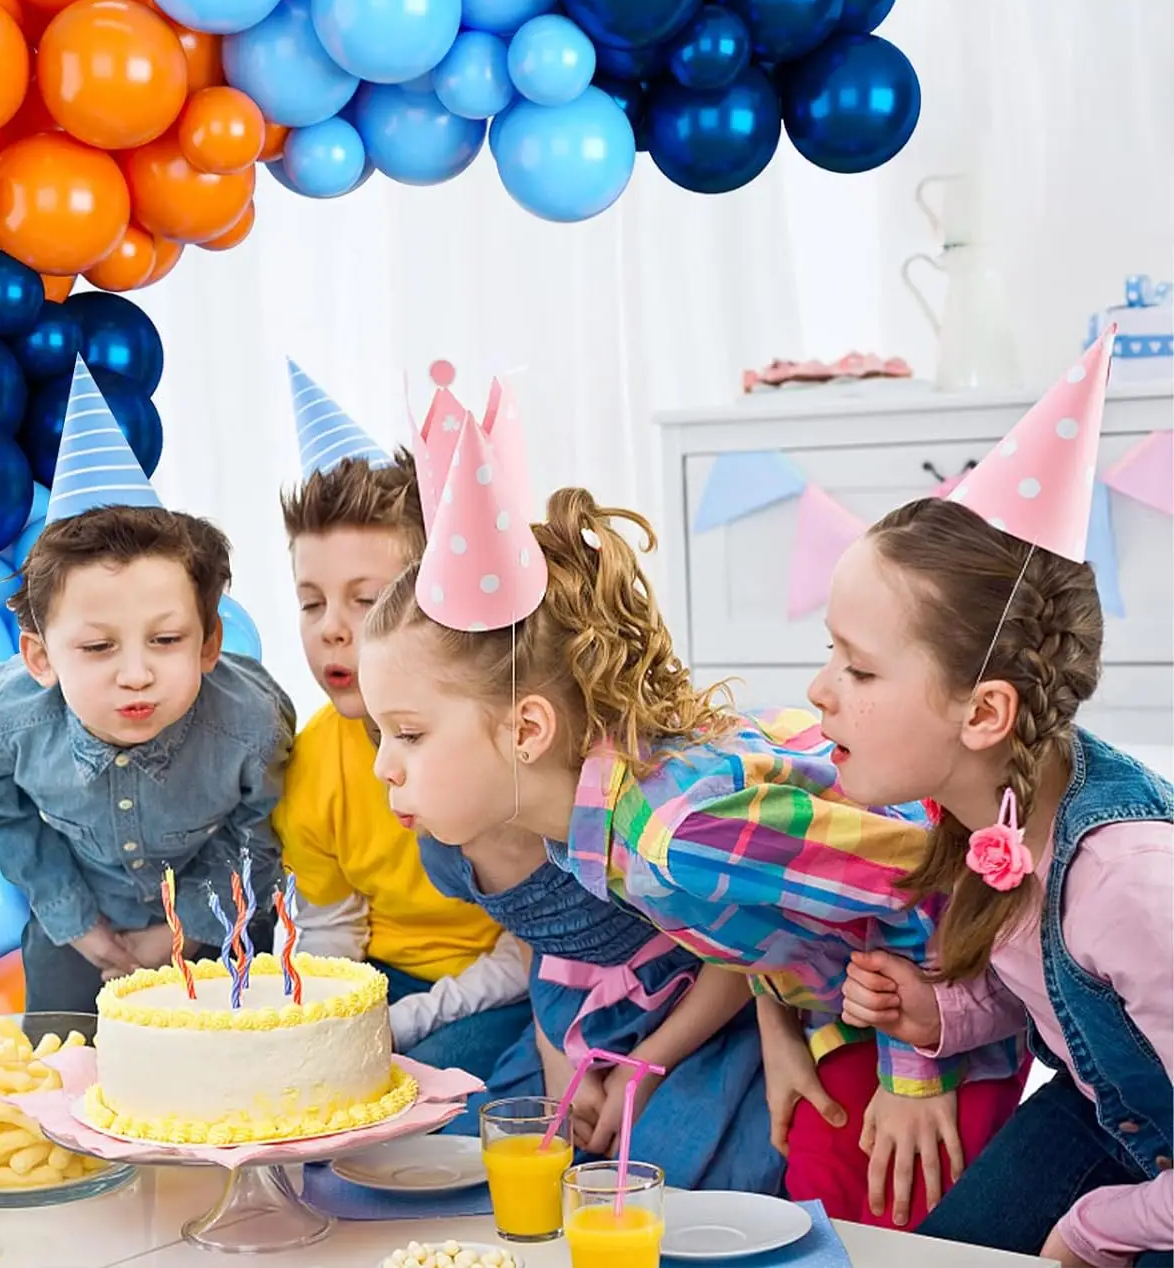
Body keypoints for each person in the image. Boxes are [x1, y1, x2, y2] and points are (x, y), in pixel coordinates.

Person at [357, 373, 1023, 1231]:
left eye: (406, 733)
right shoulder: (583, 832)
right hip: (842, 1007)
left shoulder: (676, 833)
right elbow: (784, 912)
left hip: (956, 1012)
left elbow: (917, 877)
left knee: (862, 1223)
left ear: (526, 729)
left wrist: (915, 1072)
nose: (384, 768)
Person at [830, 334, 1172, 1268]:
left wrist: (1098, 1227)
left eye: (857, 667)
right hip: (1111, 1116)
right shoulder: (989, 808)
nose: (821, 692)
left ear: (985, 711)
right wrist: (941, 1013)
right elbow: (1052, 991)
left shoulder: (1129, 884)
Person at [0, 357, 294, 1014]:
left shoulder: (250, 720)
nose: (136, 673)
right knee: (63, 1061)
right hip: (86, 918)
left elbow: (264, 829)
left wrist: (189, 931)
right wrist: (76, 922)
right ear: (40, 656)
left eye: (166, 641)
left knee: (228, 1071)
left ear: (209, 643)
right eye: (97, 646)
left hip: (219, 917)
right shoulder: (10, 717)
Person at [273, 360, 530, 1079]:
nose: (332, 629)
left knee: (440, 1119)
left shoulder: (493, 743)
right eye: (311, 601)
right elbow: (330, 941)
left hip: (501, 985)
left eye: (367, 599)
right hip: (382, 988)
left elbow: (534, 946)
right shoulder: (314, 762)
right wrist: (335, 1028)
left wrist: (408, 1023)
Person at [419, 827, 783, 1192]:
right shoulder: (446, 850)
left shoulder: (649, 819)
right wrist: (559, 1058)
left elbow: (751, 943)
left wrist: (645, 1067)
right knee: (479, 1161)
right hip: (569, 1031)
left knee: (665, 1173)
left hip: (695, 1028)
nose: (386, 772)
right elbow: (534, 942)